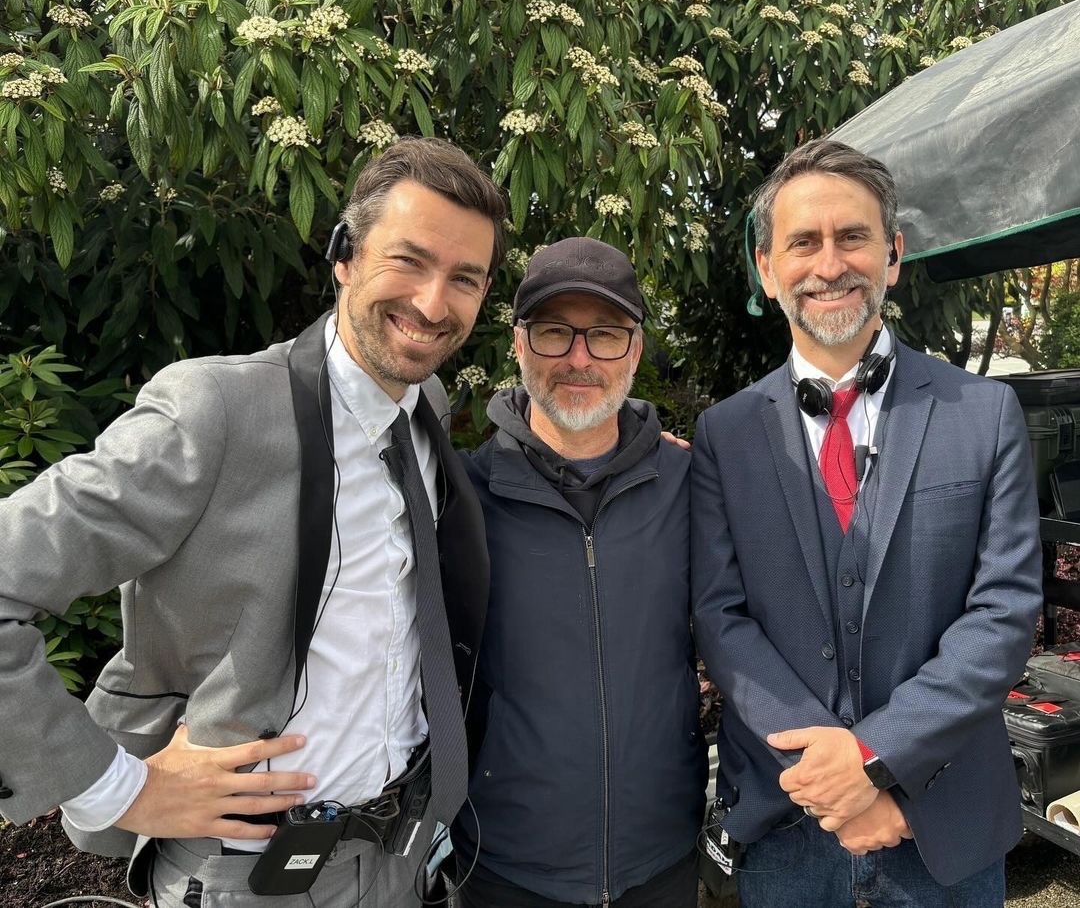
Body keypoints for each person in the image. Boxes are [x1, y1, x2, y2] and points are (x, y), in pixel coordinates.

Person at [0, 137, 505, 907]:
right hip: (245, 877)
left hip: (398, 865)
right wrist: (114, 789)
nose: (434, 305)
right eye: (409, 261)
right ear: (344, 256)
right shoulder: (216, 414)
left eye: (463, 278)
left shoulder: (424, 409)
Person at [691, 139, 1042, 906]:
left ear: (893, 255)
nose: (829, 264)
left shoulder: (985, 414)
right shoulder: (724, 433)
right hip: (788, 823)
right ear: (766, 268)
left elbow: (1005, 613)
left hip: (939, 819)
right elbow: (721, 617)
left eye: (852, 236)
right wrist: (828, 775)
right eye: (803, 242)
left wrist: (876, 755)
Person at [450, 238, 707, 908]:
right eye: (554, 331)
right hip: (507, 867)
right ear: (518, 343)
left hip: (661, 859)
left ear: (636, 350)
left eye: (606, 335)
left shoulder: (692, 483)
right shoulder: (461, 497)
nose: (580, 358)